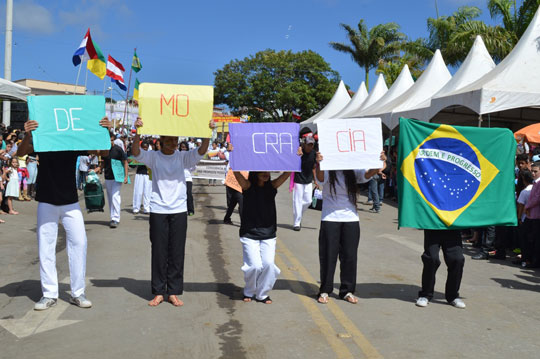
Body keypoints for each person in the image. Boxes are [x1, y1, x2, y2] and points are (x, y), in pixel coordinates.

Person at [16, 118, 111, 311]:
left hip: (70, 202)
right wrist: (27, 134)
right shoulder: (42, 140)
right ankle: (49, 294)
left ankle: (78, 293)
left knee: (80, 244)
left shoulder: (72, 142)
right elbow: (20, 153)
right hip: (46, 200)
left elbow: (104, 152)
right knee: (46, 247)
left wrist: (105, 131)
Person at [131, 117, 214, 307]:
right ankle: (159, 292)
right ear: (161, 142)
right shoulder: (153, 157)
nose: (174, 144)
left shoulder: (182, 157)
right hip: (158, 209)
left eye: (176, 141)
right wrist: (137, 132)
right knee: (159, 251)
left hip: (179, 209)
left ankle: (174, 292)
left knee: (177, 252)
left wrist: (207, 133)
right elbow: (136, 152)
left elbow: (201, 151)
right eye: (169, 141)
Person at [315, 151, 385, 304]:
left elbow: (367, 175)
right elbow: (320, 179)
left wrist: (378, 162)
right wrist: (319, 162)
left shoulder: (353, 169)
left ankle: (346, 291)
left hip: (351, 218)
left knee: (350, 256)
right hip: (330, 218)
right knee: (328, 256)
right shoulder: (327, 167)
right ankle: (325, 290)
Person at [233, 170, 291, 304]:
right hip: (249, 233)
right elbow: (236, 174)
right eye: (262, 171)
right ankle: (249, 290)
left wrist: (295, 159)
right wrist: (233, 156)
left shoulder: (272, 186)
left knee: (269, 265)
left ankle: (262, 294)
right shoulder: (247, 186)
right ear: (255, 172)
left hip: (268, 234)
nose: (266, 173)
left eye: (267, 171)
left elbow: (287, 173)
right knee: (254, 266)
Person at [416, 229, 466, 309]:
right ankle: (425, 294)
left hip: (453, 227)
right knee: (431, 259)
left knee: (458, 260)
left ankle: (453, 296)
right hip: (433, 226)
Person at [102, 133, 128, 228]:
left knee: (115, 196)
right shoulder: (104, 150)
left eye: (112, 140)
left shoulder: (118, 149)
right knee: (110, 197)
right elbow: (103, 162)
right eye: (109, 140)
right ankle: (112, 217)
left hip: (117, 177)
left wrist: (126, 176)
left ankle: (116, 218)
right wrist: (97, 169)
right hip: (108, 177)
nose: (110, 142)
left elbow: (125, 162)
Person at [292, 136, 317, 231]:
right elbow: (292, 163)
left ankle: (298, 214)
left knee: (308, 201)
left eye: (311, 145)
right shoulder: (299, 152)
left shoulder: (314, 154)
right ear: (304, 144)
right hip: (298, 179)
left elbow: (314, 167)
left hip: (308, 179)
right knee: (297, 201)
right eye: (308, 144)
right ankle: (296, 223)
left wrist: (316, 180)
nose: (310, 146)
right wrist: (297, 155)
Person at [132, 141, 152, 214]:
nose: (145, 149)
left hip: (148, 174)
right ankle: (136, 208)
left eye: (146, 148)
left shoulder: (150, 155)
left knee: (147, 192)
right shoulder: (138, 154)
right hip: (139, 174)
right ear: (141, 147)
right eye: (143, 148)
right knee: (138, 191)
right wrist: (130, 161)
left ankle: (147, 208)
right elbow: (132, 165)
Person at [179, 141, 195, 216]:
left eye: (184, 147)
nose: (183, 149)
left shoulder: (189, 156)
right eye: (182, 147)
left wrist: (188, 168)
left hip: (188, 178)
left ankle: (190, 210)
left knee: (188, 193)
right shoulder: (177, 155)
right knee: (180, 194)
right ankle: (181, 209)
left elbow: (193, 168)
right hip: (179, 178)